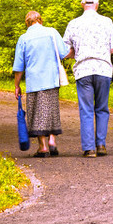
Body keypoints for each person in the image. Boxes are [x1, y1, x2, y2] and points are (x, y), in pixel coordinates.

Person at [62, 0, 113, 157]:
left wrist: (77, 52)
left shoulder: (73, 24)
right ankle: (101, 144)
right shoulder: (107, 22)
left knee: (86, 109)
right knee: (102, 108)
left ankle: (89, 149)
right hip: (103, 69)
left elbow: (65, 51)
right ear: (97, 4)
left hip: (83, 70)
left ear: (82, 4)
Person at [12, 10, 68, 157]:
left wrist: (17, 85)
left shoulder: (23, 38)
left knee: (36, 113)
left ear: (27, 23)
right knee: (51, 111)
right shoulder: (52, 33)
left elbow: (19, 67)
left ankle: (43, 147)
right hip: (51, 79)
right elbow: (64, 53)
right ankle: (52, 141)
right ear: (40, 20)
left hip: (34, 82)